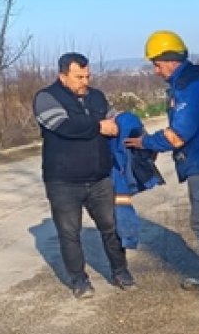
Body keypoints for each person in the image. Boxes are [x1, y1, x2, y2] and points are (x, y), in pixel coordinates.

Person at [125, 30, 199, 291]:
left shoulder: (188, 88)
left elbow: (178, 135)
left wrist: (145, 142)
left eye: (156, 63)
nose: (155, 70)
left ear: (170, 60)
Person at [34, 52, 135, 299]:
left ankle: (120, 271)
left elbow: (114, 121)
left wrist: (124, 125)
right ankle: (79, 280)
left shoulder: (97, 97)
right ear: (63, 76)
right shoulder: (46, 98)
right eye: (79, 77)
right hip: (63, 182)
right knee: (70, 234)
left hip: (100, 178)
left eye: (87, 76)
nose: (85, 81)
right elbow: (64, 126)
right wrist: (98, 126)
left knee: (112, 227)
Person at [108, 110, 164, 249]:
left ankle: (127, 238)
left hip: (116, 171)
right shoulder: (128, 120)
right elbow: (148, 150)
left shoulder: (122, 122)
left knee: (119, 202)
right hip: (122, 171)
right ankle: (127, 238)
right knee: (120, 201)